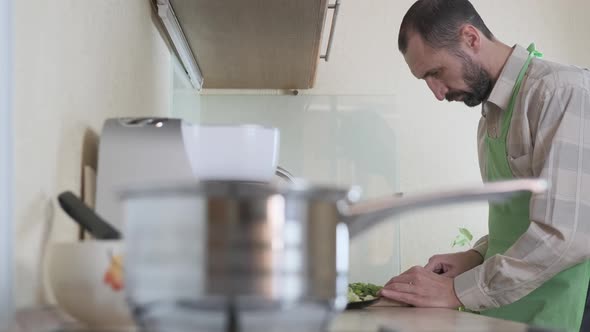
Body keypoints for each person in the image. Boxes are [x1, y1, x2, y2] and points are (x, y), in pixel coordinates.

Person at [378, 1, 590, 331]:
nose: (437, 92)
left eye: (435, 72)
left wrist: (455, 290)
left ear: (471, 38)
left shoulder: (560, 92)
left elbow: (567, 233)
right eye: (426, 79)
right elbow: (521, 220)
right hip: (511, 315)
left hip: (564, 313)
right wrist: (475, 256)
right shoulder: (491, 116)